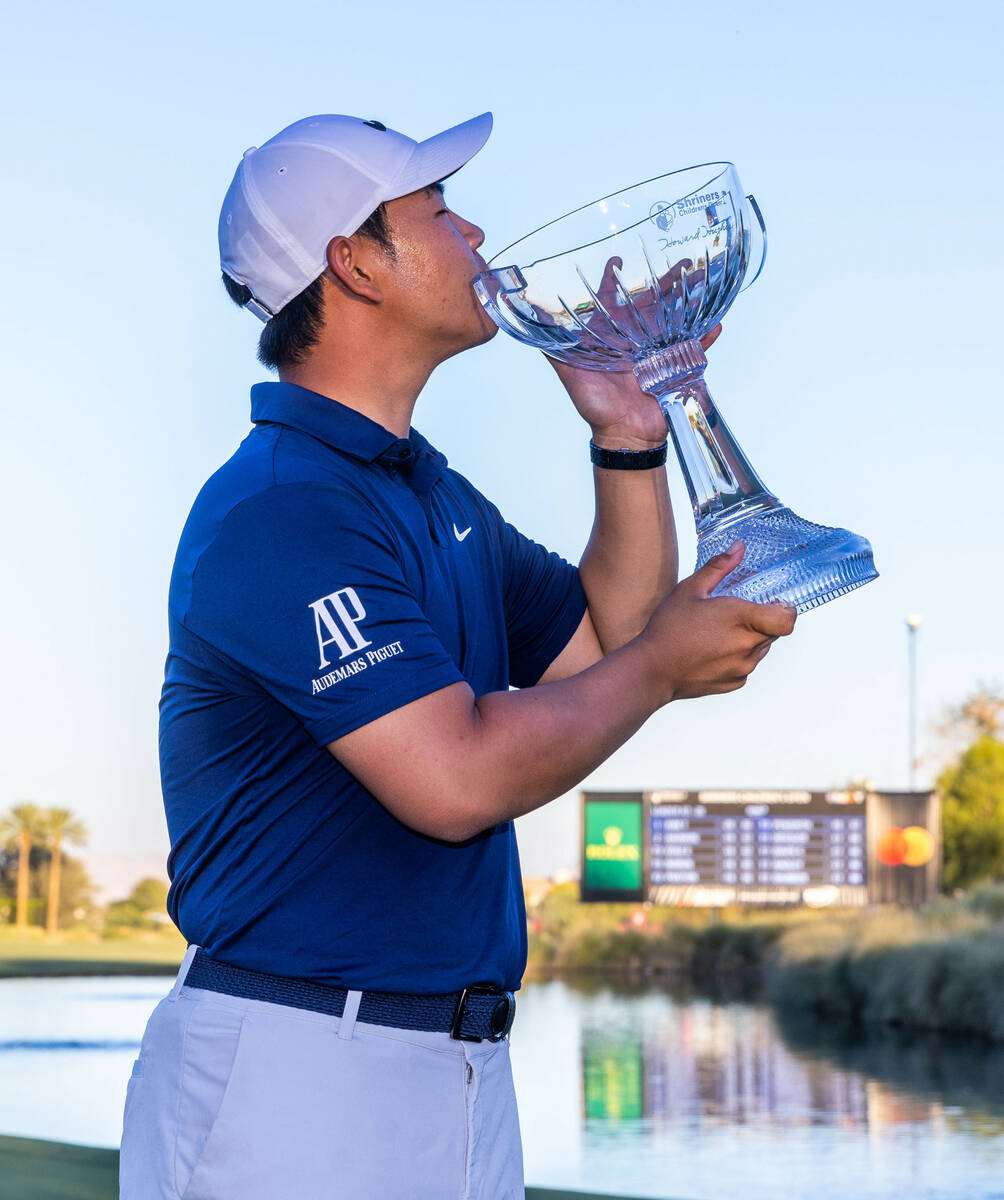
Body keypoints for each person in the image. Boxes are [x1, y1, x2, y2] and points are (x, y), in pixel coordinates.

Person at [119, 110, 796, 1200]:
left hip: (459, 1071)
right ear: (355, 266)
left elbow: (600, 649)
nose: (474, 230)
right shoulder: (285, 509)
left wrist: (626, 436)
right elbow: (456, 779)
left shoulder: (425, 491)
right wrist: (662, 668)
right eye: (434, 210)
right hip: (296, 1079)